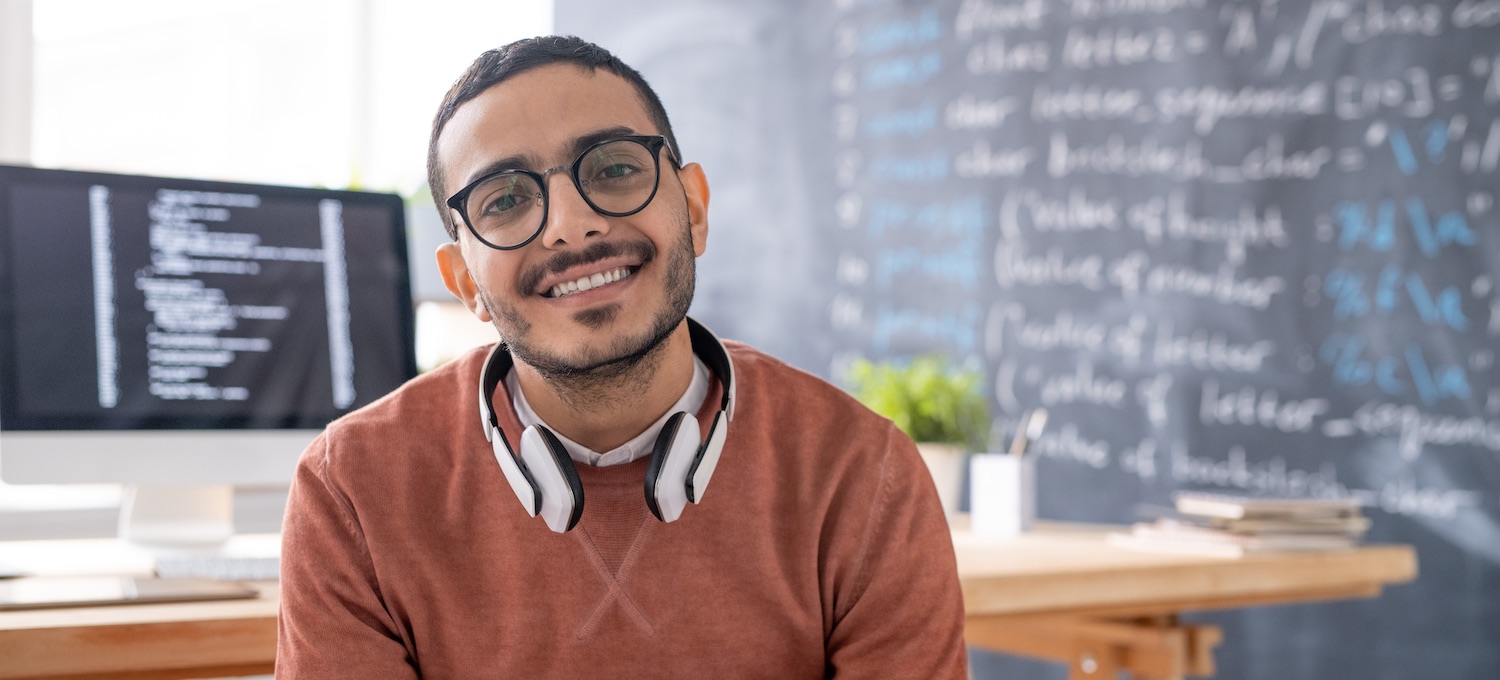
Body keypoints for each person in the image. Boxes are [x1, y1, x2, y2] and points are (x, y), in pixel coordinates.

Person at [276, 35, 967, 678]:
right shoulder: (353, 492)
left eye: (613, 168)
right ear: (464, 282)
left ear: (693, 210)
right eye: (508, 199)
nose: (573, 223)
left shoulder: (861, 474)